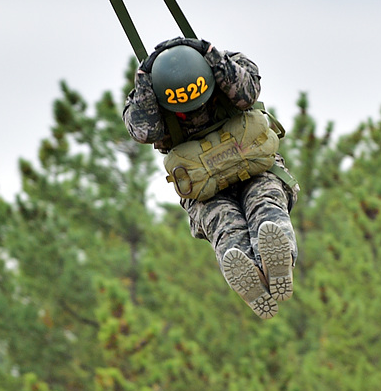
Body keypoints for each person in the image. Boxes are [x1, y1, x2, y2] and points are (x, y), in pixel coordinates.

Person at [123, 37, 299, 318]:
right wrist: (145, 81)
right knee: (224, 223)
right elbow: (144, 132)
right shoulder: (149, 99)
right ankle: (247, 271)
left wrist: (211, 56)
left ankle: (275, 259)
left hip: (254, 168)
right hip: (207, 191)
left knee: (264, 203)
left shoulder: (227, 66)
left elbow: (248, 93)